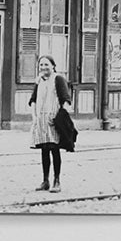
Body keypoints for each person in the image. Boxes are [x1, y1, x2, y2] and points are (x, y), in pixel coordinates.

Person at [28, 54, 71, 193]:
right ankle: (45, 181)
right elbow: (33, 100)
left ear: (53, 65)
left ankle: (56, 181)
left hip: (53, 120)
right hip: (41, 121)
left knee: (54, 149)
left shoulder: (58, 79)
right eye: (41, 65)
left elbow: (65, 99)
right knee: (44, 150)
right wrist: (34, 116)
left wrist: (61, 117)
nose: (44, 67)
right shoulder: (39, 81)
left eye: (46, 64)